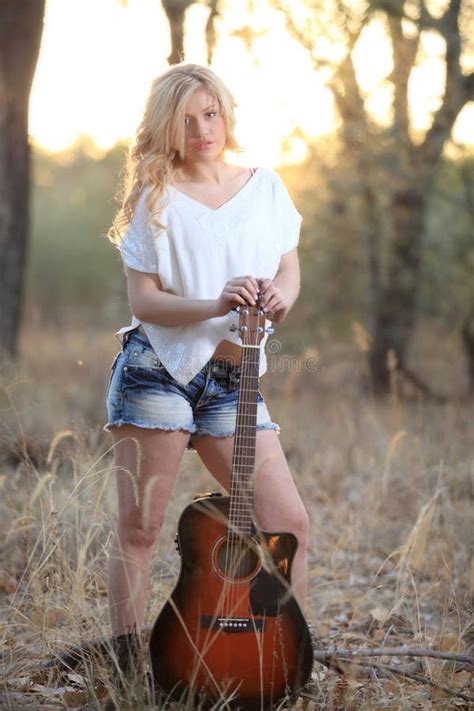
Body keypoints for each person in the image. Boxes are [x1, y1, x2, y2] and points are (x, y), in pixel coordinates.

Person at [104, 62, 310, 703]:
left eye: (211, 114)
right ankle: (130, 669)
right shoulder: (154, 197)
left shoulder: (267, 186)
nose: (202, 129)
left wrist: (278, 297)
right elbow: (145, 303)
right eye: (187, 119)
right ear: (168, 126)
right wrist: (215, 302)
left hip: (235, 378)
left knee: (288, 524)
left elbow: (289, 272)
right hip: (157, 370)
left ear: (226, 113)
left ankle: (273, 658)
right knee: (140, 531)